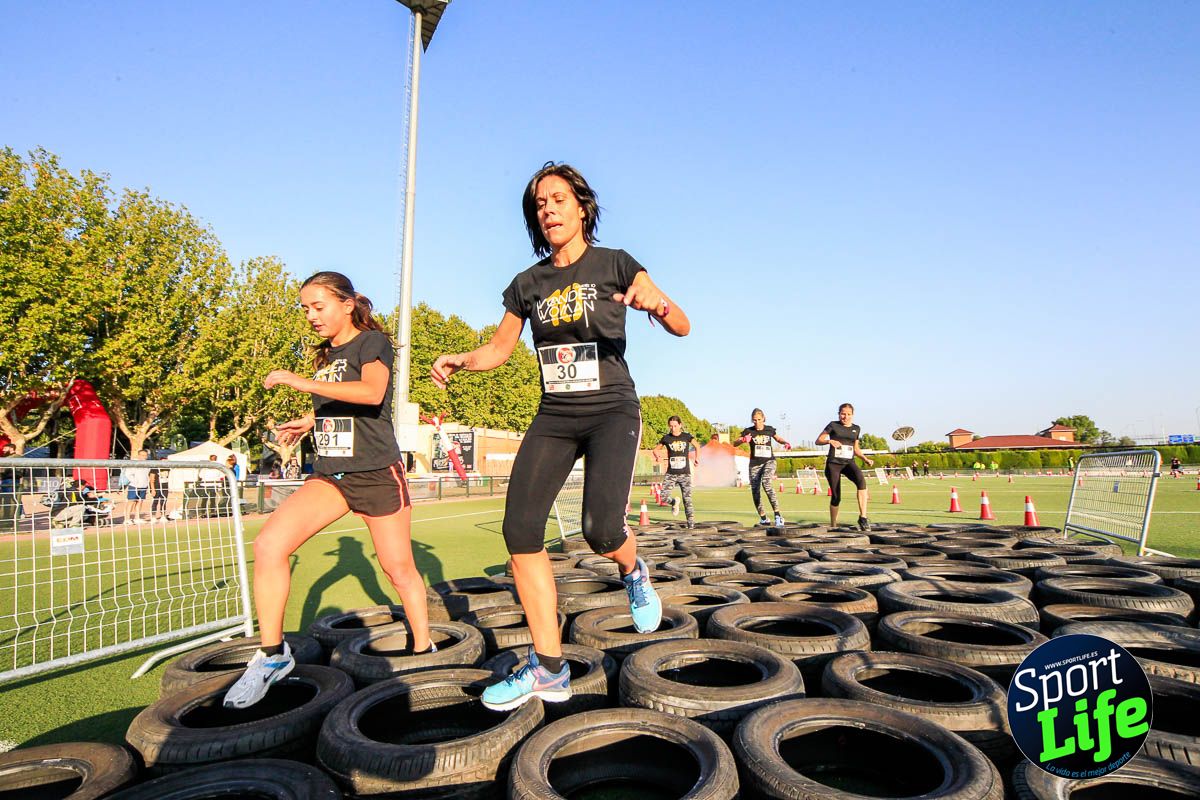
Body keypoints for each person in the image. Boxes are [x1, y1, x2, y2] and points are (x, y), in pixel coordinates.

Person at [431, 162, 690, 711]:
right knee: (520, 530)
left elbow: (682, 325)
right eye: (539, 205)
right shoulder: (527, 284)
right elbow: (499, 349)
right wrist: (462, 360)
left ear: (581, 207)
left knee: (600, 530)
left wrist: (657, 303)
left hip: (611, 410)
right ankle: (548, 668)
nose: (548, 210)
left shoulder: (617, 263)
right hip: (555, 415)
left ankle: (632, 569)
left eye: (557, 199)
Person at [223, 271, 432, 709]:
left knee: (398, 571)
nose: (311, 316)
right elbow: (340, 405)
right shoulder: (326, 355)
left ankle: (424, 649)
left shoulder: (372, 343)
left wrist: (302, 383)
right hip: (331, 475)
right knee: (269, 545)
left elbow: (371, 394)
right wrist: (310, 420)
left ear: (347, 304)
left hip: (375, 474)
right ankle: (272, 654)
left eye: (318, 306)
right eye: (305, 308)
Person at [815, 403, 875, 530]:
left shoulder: (856, 428)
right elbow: (818, 440)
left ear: (852, 415)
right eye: (843, 414)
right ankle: (833, 525)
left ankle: (863, 517)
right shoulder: (833, 425)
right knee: (836, 496)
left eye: (848, 414)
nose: (845, 417)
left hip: (849, 463)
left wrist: (865, 459)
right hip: (834, 464)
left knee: (861, 482)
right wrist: (829, 441)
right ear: (839, 414)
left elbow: (856, 448)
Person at [737, 409, 791, 527]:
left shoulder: (769, 429)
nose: (757, 422)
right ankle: (763, 518)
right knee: (755, 491)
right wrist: (743, 440)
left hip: (769, 461)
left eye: (759, 420)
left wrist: (785, 443)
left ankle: (778, 515)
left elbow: (778, 438)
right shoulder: (748, 431)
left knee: (766, 483)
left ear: (764, 419)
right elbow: (735, 443)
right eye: (754, 420)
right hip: (754, 464)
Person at [652, 416, 699, 527]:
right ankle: (674, 502)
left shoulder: (686, 436)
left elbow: (697, 446)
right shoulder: (666, 438)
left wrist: (697, 458)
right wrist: (657, 456)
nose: (673, 428)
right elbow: (655, 450)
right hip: (671, 474)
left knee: (687, 500)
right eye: (671, 426)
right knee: (663, 496)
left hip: (685, 473)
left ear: (680, 425)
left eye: (675, 426)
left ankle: (691, 525)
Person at [122, 449, 152, 524]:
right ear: (138, 455)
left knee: (140, 501)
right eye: (142, 455)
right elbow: (128, 474)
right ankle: (127, 519)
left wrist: (146, 483)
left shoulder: (147, 464)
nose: (144, 457)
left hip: (143, 486)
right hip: (134, 486)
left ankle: (137, 518)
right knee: (131, 502)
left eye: (145, 455)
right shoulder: (133, 463)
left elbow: (147, 474)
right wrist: (135, 481)